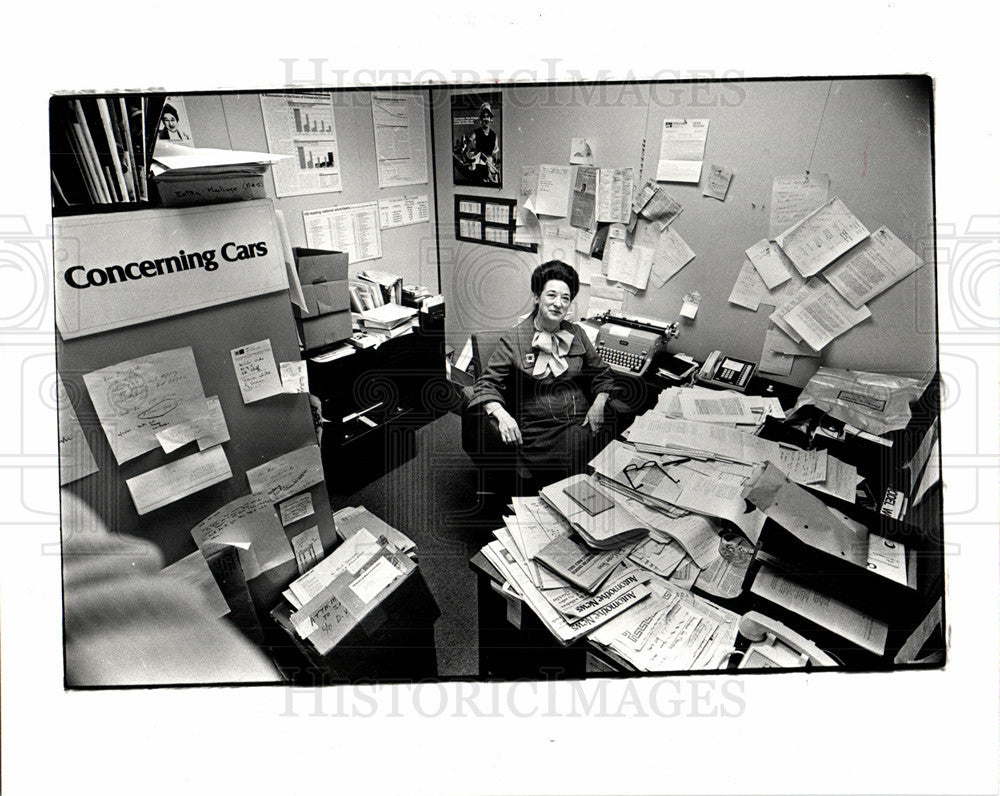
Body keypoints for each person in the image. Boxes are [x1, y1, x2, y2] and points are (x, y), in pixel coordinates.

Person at [468, 260, 618, 485]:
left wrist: (599, 404)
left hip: (582, 419)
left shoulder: (576, 333)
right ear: (537, 297)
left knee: (614, 450)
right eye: (552, 295)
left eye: (565, 298)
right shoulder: (514, 340)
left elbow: (601, 373)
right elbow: (487, 384)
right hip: (541, 430)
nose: (559, 304)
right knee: (585, 468)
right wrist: (502, 415)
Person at [468, 102, 500, 184]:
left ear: (490, 119)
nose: (486, 119)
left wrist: (493, 164)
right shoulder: (476, 133)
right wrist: (471, 147)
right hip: (478, 168)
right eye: (484, 117)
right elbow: (469, 144)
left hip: (490, 167)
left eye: (488, 117)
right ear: (481, 119)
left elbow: (495, 154)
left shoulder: (494, 135)